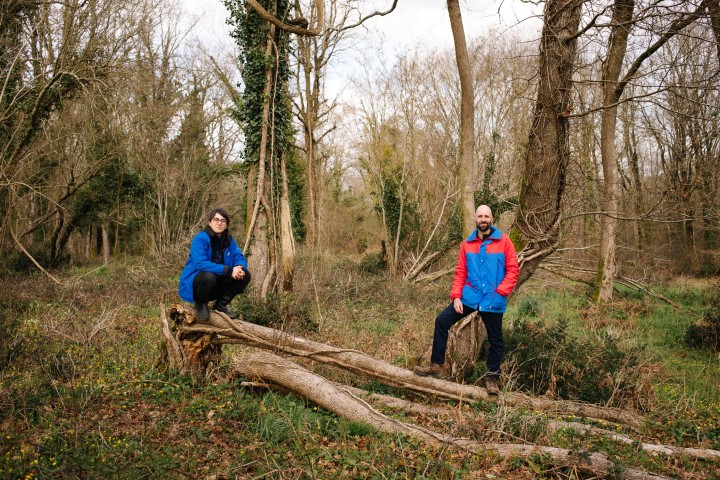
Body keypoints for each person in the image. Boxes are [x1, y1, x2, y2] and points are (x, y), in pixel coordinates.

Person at [414, 205, 519, 395]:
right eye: (480, 216)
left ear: (492, 218)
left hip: (493, 300)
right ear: (476, 218)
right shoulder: (467, 244)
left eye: (487, 215)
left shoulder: (504, 242)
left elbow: (513, 270)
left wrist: (501, 292)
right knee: (441, 321)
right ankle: (437, 365)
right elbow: (460, 272)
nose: (483, 219)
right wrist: (456, 296)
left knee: (496, 340)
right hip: (470, 297)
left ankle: (492, 378)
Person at [178, 208, 251, 320]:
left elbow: (239, 256)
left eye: (223, 220)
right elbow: (201, 264)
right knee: (209, 276)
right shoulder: (200, 239)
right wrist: (229, 270)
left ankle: (220, 305)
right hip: (198, 283)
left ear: (226, 224)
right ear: (210, 222)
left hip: (217, 282)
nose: (219, 223)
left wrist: (239, 267)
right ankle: (201, 304)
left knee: (245, 275)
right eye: (216, 219)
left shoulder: (229, 239)